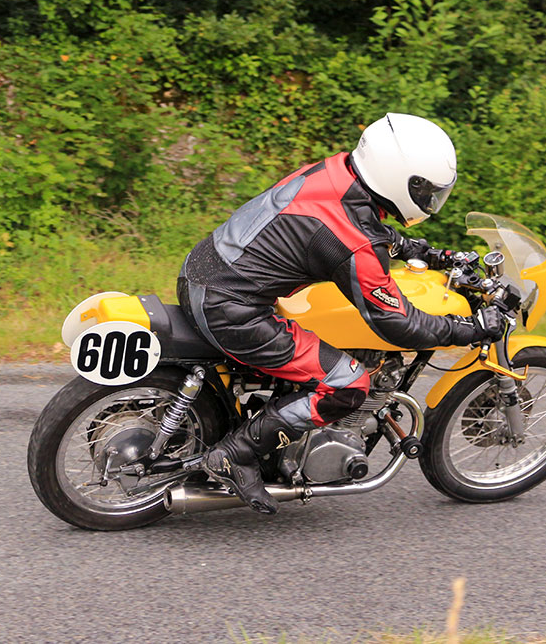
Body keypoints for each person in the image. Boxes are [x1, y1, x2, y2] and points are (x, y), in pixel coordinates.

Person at [176, 112, 505, 514]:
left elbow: (363, 224)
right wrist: (469, 328)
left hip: (201, 273)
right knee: (348, 383)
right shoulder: (353, 242)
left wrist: (424, 251)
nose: (430, 200)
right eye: (426, 190)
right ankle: (236, 453)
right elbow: (397, 323)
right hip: (230, 310)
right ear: (401, 179)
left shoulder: (335, 171)